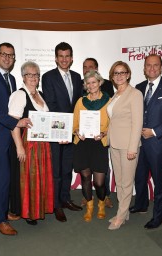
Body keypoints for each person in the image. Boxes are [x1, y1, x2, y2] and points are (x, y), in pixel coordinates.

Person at [0, 42, 32, 235]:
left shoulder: (11, 79)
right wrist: (15, 123)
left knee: (6, 177)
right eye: (4, 54)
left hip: (7, 136)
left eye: (11, 55)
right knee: (1, 178)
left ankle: (2, 212)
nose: (7, 58)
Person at [130, 54, 162, 229]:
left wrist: (154, 131)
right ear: (144, 68)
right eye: (148, 65)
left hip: (158, 143)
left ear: (161, 67)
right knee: (140, 176)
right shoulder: (139, 87)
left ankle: (159, 216)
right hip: (139, 143)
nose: (152, 69)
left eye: (155, 65)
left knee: (159, 181)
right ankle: (141, 205)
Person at [42, 42, 84, 222]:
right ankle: (56, 205)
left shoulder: (76, 76)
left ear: (72, 58)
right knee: (57, 170)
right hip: (58, 132)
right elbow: (51, 105)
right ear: (56, 58)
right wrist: (63, 131)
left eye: (67, 56)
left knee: (67, 169)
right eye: (61, 56)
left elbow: (77, 105)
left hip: (73, 132)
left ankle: (65, 199)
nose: (64, 59)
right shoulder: (48, 77)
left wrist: (76, 128)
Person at [8, 61, 54, 226]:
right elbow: (12, 123)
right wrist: (19, 146)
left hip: (42, 144)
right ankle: (29, 212)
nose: (33, 77)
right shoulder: (19, 95)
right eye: (30, 74)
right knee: (29, 178)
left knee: (40, 177)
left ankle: (38, 208)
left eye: (36, 75)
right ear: (23, 77)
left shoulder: (40, 94)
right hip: (28, 144)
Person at [107, 61, 143, 230]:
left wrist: (132, 147)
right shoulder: (115, 95)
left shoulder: (135, 94)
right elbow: (113, 120)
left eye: (122, 72)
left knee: (127, 182)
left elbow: (137, 123)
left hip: (128, 145)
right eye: (116, 73)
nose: (119, 76)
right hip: (114, 143)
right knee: (120, 181)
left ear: (128, 74)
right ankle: (124, 211)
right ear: (112, 77)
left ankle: (120, 216)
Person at [73, 70, 111, 222]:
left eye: (94, 82)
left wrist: (104, 133)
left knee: (99, 181)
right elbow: (74, 124)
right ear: (85, 86)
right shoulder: (80, 102)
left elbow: (114, 124)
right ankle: (89, 206)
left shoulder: (109, 101)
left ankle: (101, 204)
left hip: (99, 143)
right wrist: (76, 131)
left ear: (100, 83)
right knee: (85, 176)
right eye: (88, 83)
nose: (91, 85)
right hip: (82, 143)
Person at [81, 57, 114, 209]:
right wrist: (77, 131)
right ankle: (88, 199)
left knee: (101, 174)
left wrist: (104, 132)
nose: (88, 69)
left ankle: (104, 196)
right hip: (84, 140)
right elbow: (77, 118)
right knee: (86, 173)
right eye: (85, 67)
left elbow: (112, 118)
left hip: (100, 139)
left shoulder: (108, 93)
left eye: (91, 67)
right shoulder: (81, 96)